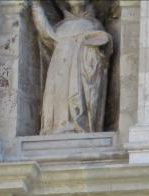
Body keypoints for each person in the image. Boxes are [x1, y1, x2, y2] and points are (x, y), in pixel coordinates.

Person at [29, 0, 112, 134]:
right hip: (59, 67)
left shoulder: (94, 24)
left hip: (81, 69)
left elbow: (103, 52)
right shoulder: (61, 26)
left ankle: (79, 125)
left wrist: (91, 46)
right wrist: (36, 7)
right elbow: (46, 34)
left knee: (77, 97)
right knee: (58, 95)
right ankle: (58, 126)